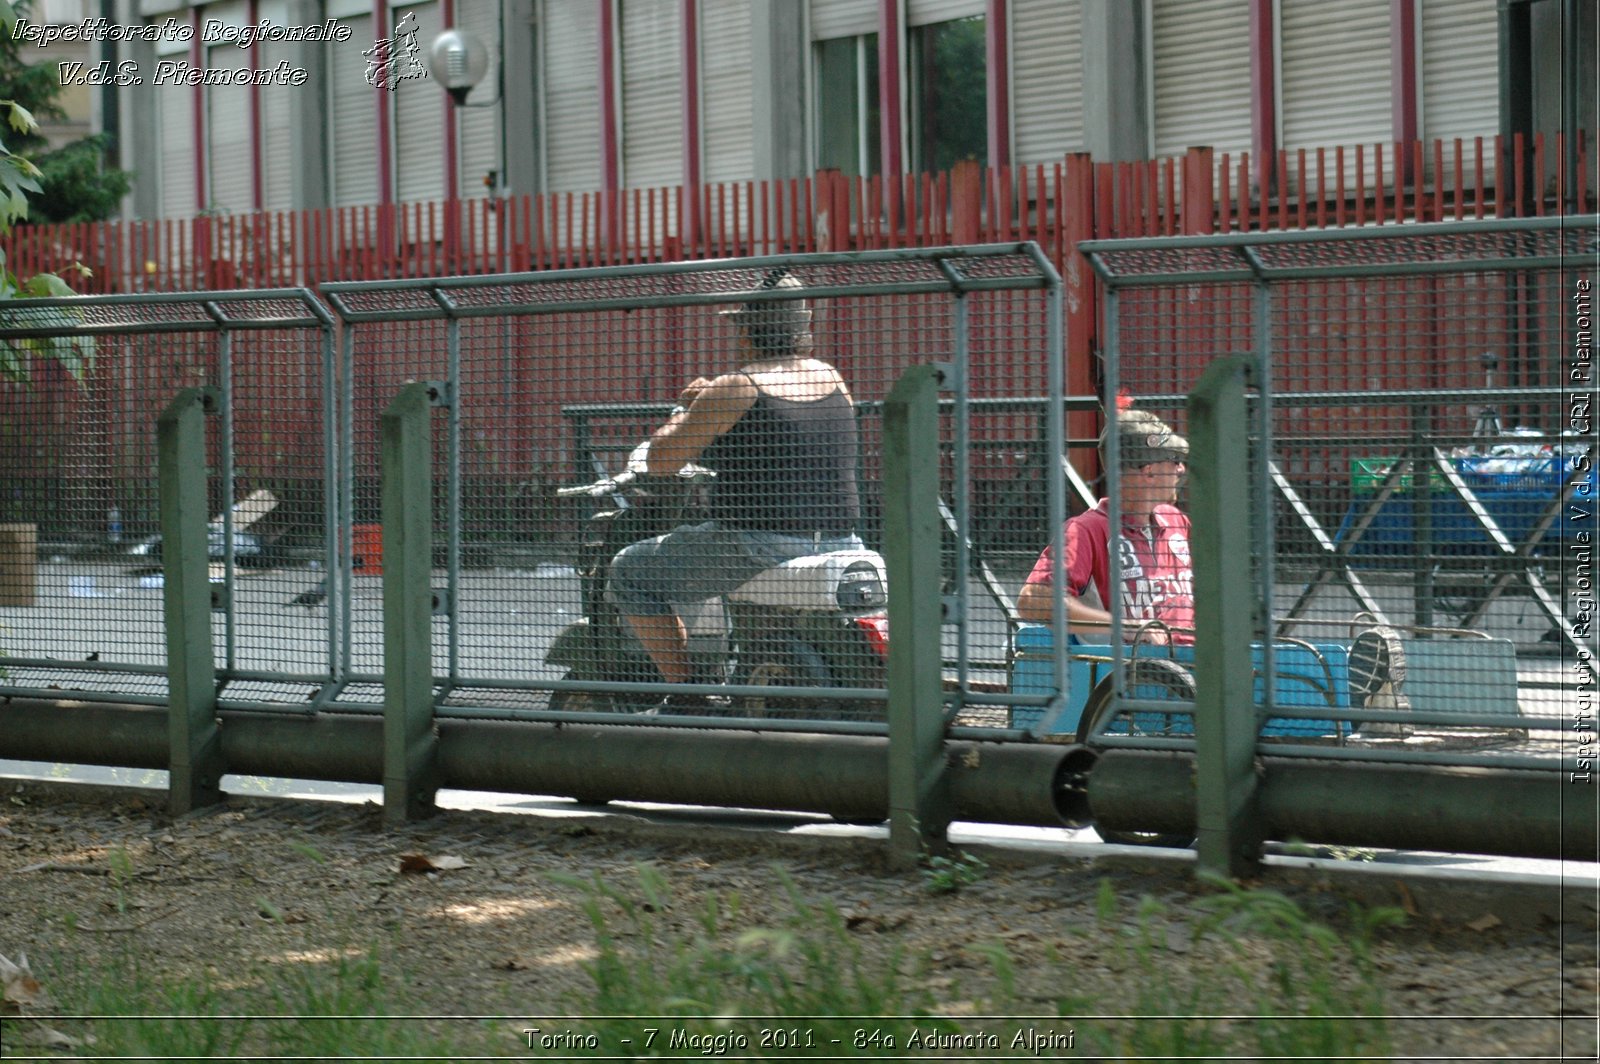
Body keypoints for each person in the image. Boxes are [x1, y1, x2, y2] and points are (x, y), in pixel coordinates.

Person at [608, 270, 864, 711]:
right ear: (803, 329)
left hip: (758, 543)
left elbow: (660, 461)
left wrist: (685, 408)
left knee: (631, 570)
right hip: (842, 538)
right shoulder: (831, 376)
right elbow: (786, 447)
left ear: (747, 330)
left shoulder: (736, 386)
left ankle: (688, 694)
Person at [1016, 401, 1194, 644]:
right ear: (1150, 471)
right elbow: (1033, 600)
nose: (1181, 469)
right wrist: (1124, 627)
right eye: (1174, 460)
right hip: (1135, 671)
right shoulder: (1087, 530)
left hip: (1196, 663)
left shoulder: (1177, 521)